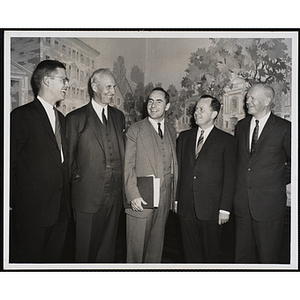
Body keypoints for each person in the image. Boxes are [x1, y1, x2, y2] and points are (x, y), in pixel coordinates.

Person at [10, 60, 72, 263]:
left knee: (52, 263)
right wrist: (11, 202)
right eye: (63, 79)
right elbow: (10, 163)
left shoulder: (62, 119)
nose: (67, 84)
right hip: (33, 213)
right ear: (47, 80)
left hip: (61, 210)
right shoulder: (21, 116)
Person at [66, 68, 125, 263]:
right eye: (108, 87)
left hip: (115, 195)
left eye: (113, 87)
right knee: (85, 252)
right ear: (94, 86)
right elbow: (69, 159)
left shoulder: (118, 116)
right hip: (87, 197)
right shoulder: (75, 118)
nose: (112, 92)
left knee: (107, 248)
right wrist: (80, 181)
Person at [234, 83, 291, 263]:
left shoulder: (284, 127)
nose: (247, 101)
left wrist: (276, 178)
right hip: (243, 204)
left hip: (269, 205)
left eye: (252, 98)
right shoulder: (241, 126)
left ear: (267, 101)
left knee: (268, 258)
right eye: (247, 97)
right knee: (242, 258)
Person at [176, 95, 236, 263]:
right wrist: (176, 200)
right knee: (190, 254)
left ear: (214, 113)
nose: (196, 112)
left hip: (212, 209)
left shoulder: (227, 140)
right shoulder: (184, 138)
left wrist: (225, 208)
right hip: (186, 208)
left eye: (201, 109)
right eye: (196, 109)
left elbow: (230, 177)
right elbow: (179, 170)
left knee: (211, 255)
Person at [124, 87, 178, 263]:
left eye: (159, 101)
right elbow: (128, 166)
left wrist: (173, 198)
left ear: (167, 106)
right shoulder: (135, 130)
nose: (153, 105)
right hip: (141, 198)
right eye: (150, 101)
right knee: (136, 251)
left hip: (164, 199)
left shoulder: (171, 130)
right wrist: (133, 195)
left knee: (156, 249)